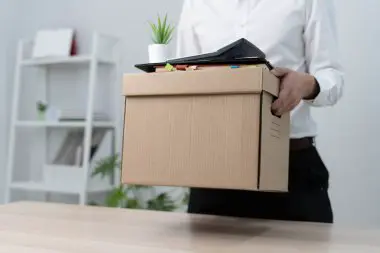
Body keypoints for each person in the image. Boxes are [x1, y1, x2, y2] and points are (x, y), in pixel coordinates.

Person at [175, 0, 344, 223]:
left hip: (292, 168)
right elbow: (183, 79)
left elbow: (332, 76)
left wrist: (307, 84)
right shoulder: (197, 5)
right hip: (216, 170)